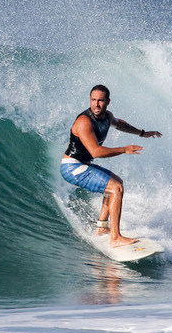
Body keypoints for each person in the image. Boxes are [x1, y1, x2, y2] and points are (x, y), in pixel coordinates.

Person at [60, 85, 162, 248]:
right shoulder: (84, 122)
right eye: (93, 100)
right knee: (115, 189)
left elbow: (118, 123)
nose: (96, 104)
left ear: (108, 101)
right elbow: (95, 152)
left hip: (82, 165)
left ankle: (101, 228)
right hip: (72, 167)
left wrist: (142, 133)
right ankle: (115, 237)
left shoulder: (107, 116)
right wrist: (124, 149)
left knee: (117, 183)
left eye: (100, 100)